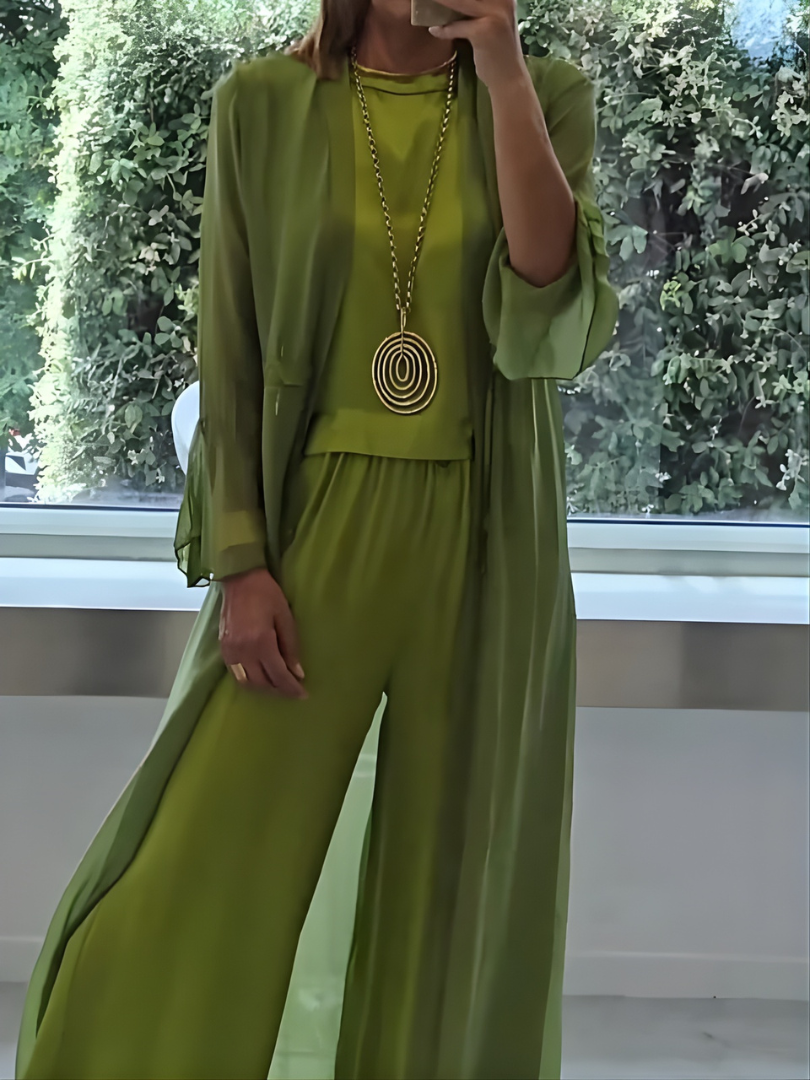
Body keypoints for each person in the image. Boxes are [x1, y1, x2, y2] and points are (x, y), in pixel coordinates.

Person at [15, 0, 618, 1076]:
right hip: (317, 524)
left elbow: (549, 306)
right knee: (197, 849)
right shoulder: (262, 105)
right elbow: (231, 347)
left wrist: (503, 67)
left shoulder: (543, 94)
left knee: (449, 882)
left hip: (489, 531)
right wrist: (241, 561)